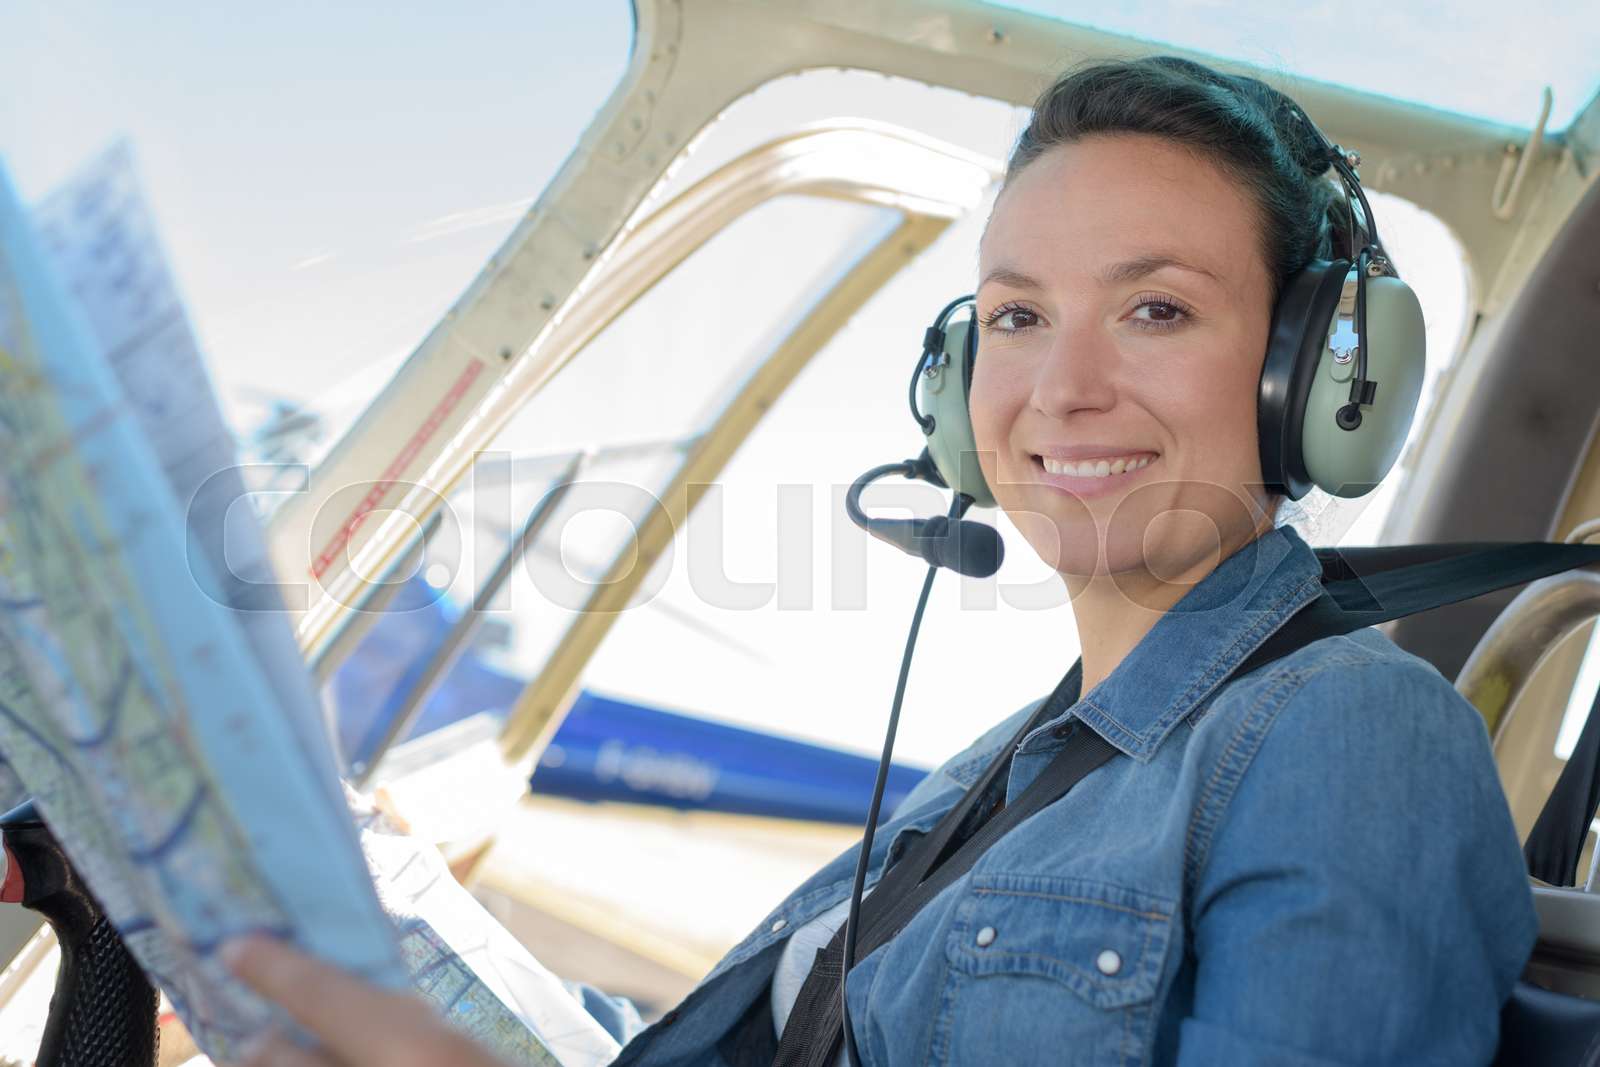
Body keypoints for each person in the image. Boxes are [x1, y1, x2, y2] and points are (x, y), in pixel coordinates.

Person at [225, 55, 1537, 1066]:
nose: (1062, 387)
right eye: (1017, 316)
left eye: (1155, 308)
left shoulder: (1353, 738)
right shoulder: (1008, 769)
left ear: (1316, 381)